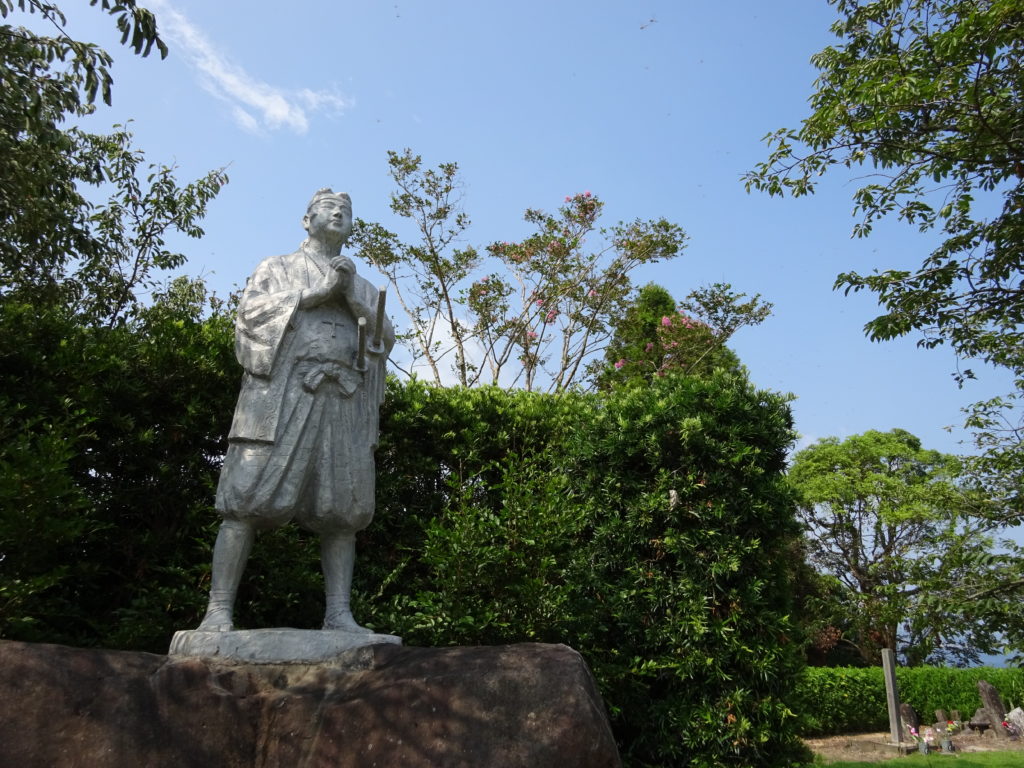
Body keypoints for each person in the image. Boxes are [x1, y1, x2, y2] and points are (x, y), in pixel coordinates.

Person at [198, 188, 394, 633]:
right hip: (285, 395)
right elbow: (250, 316)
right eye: (329, 208)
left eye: (346, 210)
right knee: (244, 499)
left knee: (344, 509)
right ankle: (218, 610)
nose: (338, 213)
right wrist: (315, 293)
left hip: (343, 398)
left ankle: (339, 614)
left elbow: (384, 338)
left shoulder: (362, 285)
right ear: (306, 220)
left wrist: (351, 297)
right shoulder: (277, 268)